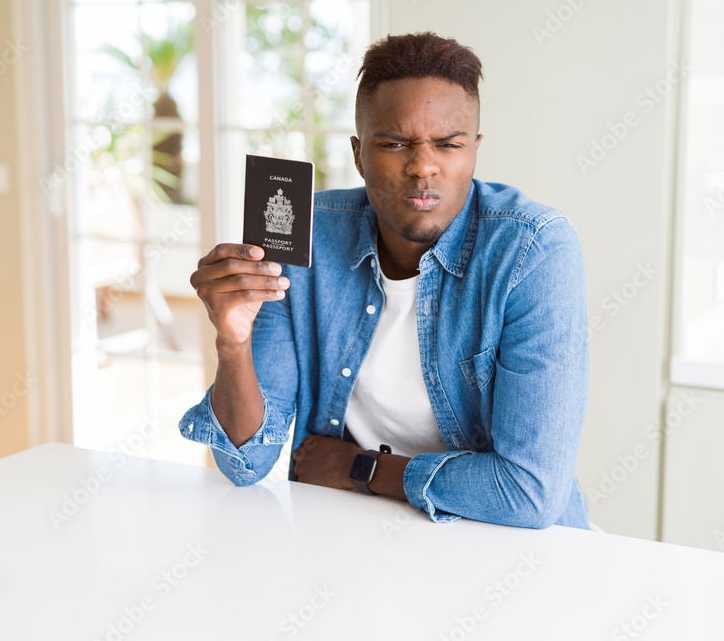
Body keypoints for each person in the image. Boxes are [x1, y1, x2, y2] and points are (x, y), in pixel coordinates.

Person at [181, 32, 590, 529]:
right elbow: (245, 465)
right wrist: (233, 341)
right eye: (395, 143)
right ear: (358, 154)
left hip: (505, 548)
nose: (423, 166)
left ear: (475, 150)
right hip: (353, 538)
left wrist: (365, 468)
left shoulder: (534, 251)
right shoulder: (303, 241)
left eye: (449, 144)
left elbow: (530, 494)